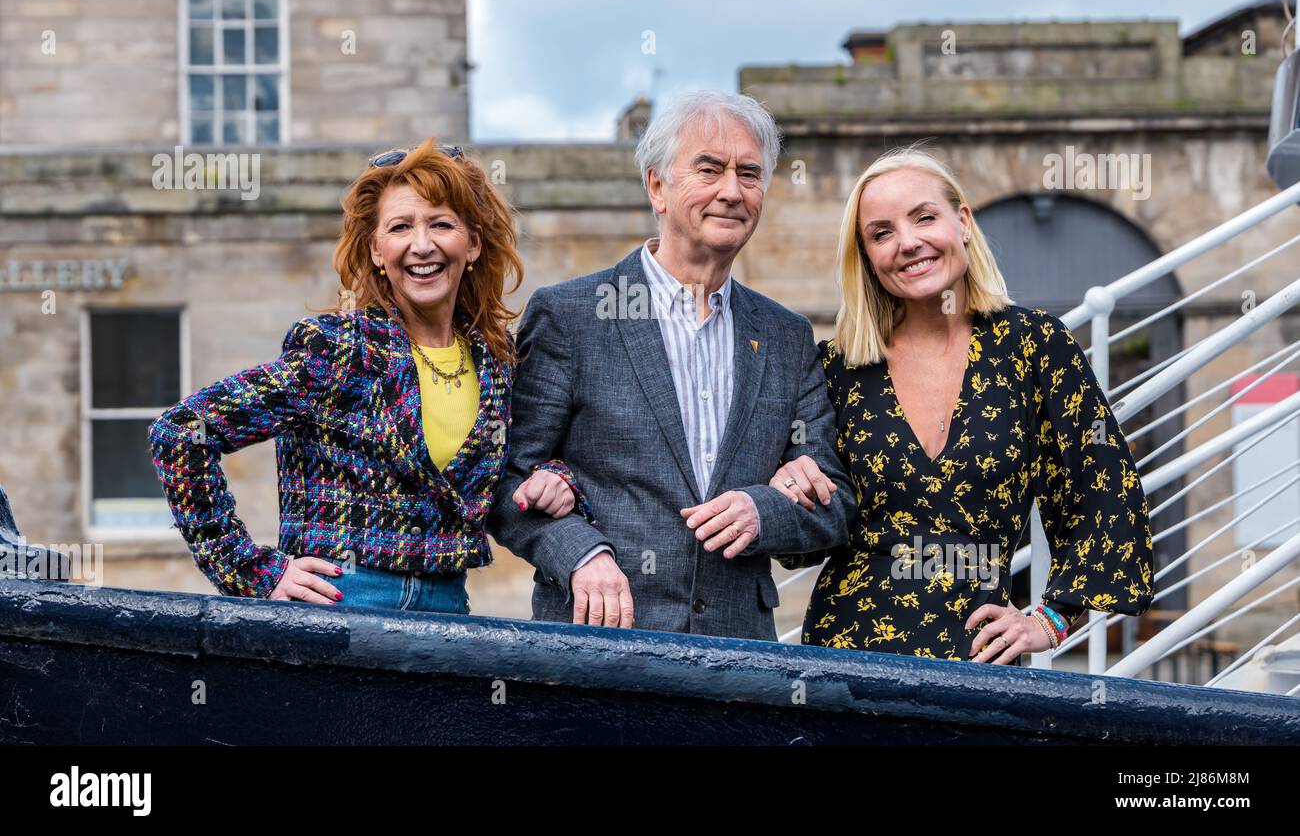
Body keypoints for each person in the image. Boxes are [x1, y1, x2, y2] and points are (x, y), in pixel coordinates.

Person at [487, 91, 856, 640]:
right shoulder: (570, 316)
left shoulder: (787, 335)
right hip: (601, 643)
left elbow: (834, 503)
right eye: (709, 170)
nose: (731, 191)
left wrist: (764, 511)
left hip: (740, 654)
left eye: (749, 174)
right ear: (657, 186)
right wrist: (582, 553)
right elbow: (508, 477)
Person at [148, 140, 575, 612]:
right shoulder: (340, 349)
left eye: (441, 224)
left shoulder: (496, 359)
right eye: (400, 227)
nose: (422, 245)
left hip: (449, 602)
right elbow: (181, 432)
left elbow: (521, 464)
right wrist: (251, 570)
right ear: (376, 249)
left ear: (472, 243)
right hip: (343, 597)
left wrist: (555, 478)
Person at [772, 147, 1154, 663]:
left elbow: (1103, 487)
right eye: (881, 233)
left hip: (980, 658)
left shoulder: (1034, 346)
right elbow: (808, 534)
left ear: (964, 223)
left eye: (924, 217)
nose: (908, 242)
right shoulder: (837, 368)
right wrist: (788, 482)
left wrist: (1052, 619)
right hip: (846, 655)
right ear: (867, 258)